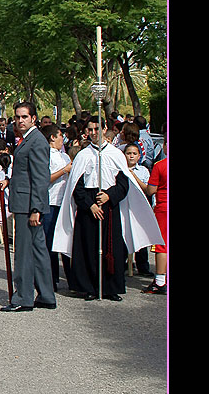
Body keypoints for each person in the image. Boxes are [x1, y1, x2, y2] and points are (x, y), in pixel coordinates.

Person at [53, 117, 163, 301]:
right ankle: (88, 287)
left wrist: (109, 196)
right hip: (88, 208)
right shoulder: (83, 155)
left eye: (97, 128)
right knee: (87, 247)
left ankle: (111, 287)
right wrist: (91, 205)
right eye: (90, 129)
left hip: (110, 208)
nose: (94, 133)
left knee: (112, 249)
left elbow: (123, 184)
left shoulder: (115, 154)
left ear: (104, 128)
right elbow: (76, 187)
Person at [0, 102, 55, 312]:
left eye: (24, 117)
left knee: (23, 252)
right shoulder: (27, 139)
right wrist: (9, 181)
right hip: (25, 200)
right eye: (17, 117)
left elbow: (40, 178)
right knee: (38, 250)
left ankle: (22, 297)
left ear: (33, 118)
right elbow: (25, 173)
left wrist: (36, 209)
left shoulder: (36, 141)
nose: (20, 120)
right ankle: (46, 295)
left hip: (28, 204)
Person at [40, 124, 73, 291]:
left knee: (66, 240)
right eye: (61, 136)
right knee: (50, 242)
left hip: (64, 202)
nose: (63, 140)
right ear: (53, 137)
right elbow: (44, 179)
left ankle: (71, 278)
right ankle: (51, 279)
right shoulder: (47, 156)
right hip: (51, 201)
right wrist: (63, 171)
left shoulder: (65, 156)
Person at [142, 138, 167, 294]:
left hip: (164, 207)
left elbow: (151, 190)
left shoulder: (160, 166)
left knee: (161, 245)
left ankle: (160, 280)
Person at [123, 142, 152, 275]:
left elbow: (146, 188)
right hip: (124, 206)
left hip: (139, 207)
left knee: (141, 235)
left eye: (134, 154)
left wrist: (133, 175)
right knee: (123, 234)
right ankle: (123, 264)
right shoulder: (120, 169)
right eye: (128, 153)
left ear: (139, 156)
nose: (131, 156)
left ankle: (143, 266)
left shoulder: (143, 171)